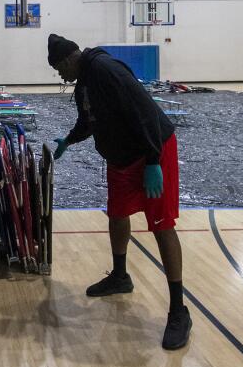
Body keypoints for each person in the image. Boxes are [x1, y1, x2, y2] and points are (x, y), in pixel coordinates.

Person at [47, 33, 191, 350]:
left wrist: (154, 160)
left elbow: (144, 111)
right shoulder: (84, 81)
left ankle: (179, 310)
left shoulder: (104, 70)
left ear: (71, 57)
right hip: (121, 158)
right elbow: (89, 120)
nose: (61, 76)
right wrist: (68, 141)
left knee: (161, 226)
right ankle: (120, 276)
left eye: (60, 69)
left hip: (152, 151)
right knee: (117, 214)